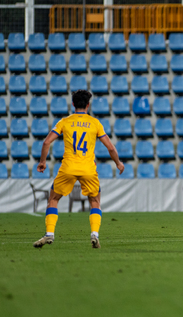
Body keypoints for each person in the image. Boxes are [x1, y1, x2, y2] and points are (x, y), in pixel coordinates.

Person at [33, 90, 125, 249]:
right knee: (95, 201)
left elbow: (46, 142)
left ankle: (49, 234)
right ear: (88, 105)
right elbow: (110, 147)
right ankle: (94, 235)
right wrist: (118, 163)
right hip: (88, 168)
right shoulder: (95, 123)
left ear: (73, 104)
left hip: (68, 167)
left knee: (53, 200)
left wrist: (42, 162)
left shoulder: (64, 121)